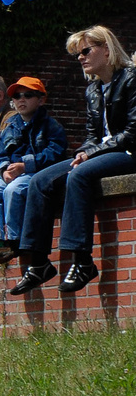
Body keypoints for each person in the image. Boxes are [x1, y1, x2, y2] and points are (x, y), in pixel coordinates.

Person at [10, 25, 136, 295]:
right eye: (78, 54)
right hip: (104, 152)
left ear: (106, 49)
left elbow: (132, 133)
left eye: (86, 51)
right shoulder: (92, 90)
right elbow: (93, 136)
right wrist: (85, 151)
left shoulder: (131, 79)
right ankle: (39, 262)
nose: (80, 57)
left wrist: (91, 153)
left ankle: (82, 260)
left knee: (78, 175)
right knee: (40, 180)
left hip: (129, 153)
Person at [0, 77, 67, 272]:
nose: (21, 100)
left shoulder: (50, 125)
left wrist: (25, 165)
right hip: (13, 173)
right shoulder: (12, 125)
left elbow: (56, 153)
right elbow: (0, 153)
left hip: (34, 173)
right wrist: (4, 170)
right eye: (16, 96)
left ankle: (15, 241)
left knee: (14, 190)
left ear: (41, 100)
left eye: (28, 95)